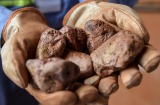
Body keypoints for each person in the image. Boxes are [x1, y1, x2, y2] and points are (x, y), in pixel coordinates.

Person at [1, 0, 154, 105]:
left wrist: (98, 2)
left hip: (76, 16)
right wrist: (8, 22)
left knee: (72, 99)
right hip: (12, 38)